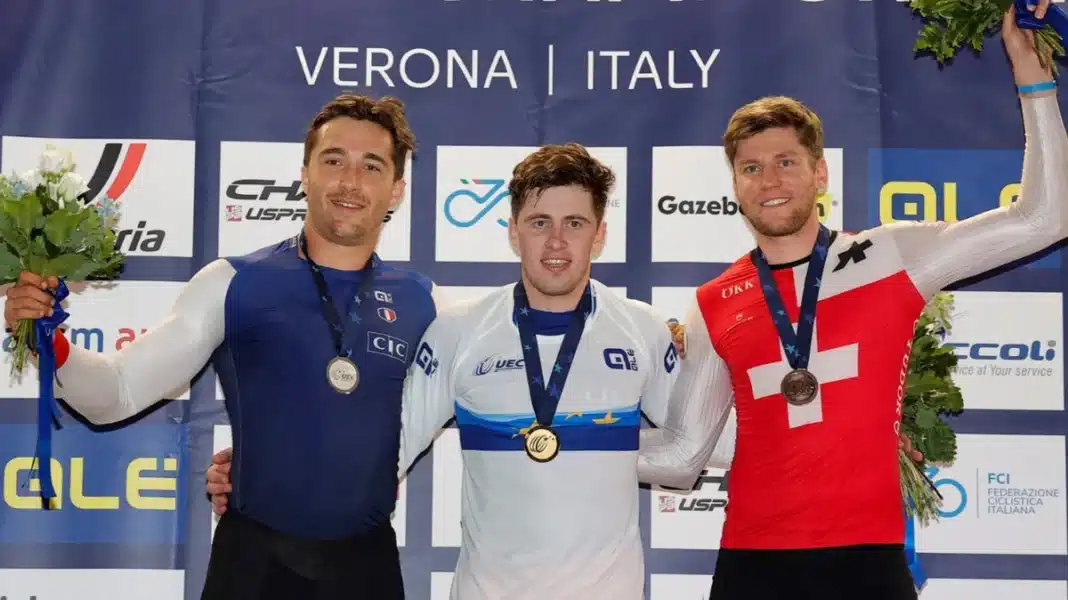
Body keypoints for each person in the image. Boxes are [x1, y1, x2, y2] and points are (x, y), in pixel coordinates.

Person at [641, 4, 1068, 599]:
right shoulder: (714, 302)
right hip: (751, 565)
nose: (769, 181)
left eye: (786, 163)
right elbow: (684, 454)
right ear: (734, 184)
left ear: (819, 174)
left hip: (867, 563)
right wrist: (556, 441)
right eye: (751, 168)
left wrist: (1033, 81)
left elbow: (1045, 217)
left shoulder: (890, 256)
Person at [206, 143, 730, 599]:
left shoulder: (643, 329)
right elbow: (382, 452)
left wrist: (717, 360)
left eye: (575, 223)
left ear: (599, 235)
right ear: (513, 232)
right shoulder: (459, 330)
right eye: (539, 223)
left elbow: (700, 451)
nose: (556, 242)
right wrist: (267, 471)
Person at [3, 93, 435, 599]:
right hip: (252, 564)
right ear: (305, 174)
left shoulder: (424, 301)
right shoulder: (233, 282)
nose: (350, 181)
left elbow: (483, 390)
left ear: (397, 189)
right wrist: (48, 337)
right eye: (333, 160)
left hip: (368, 570)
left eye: (371, 166)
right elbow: (117, 393)